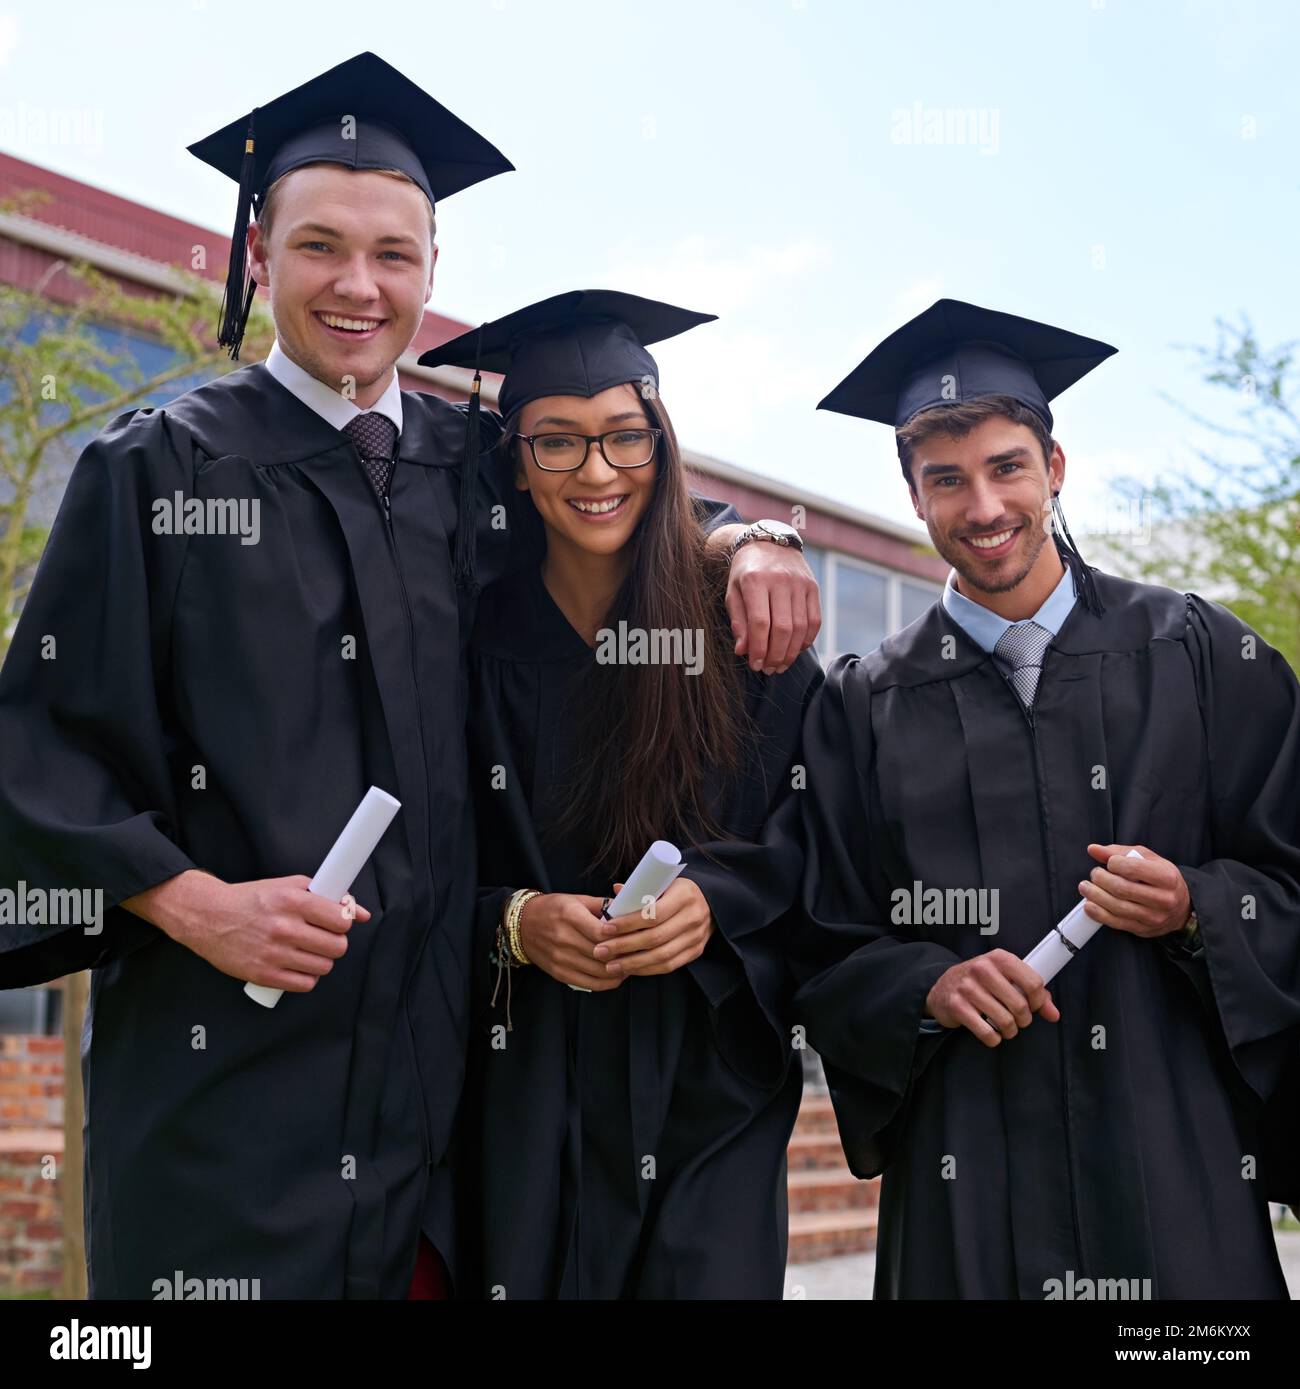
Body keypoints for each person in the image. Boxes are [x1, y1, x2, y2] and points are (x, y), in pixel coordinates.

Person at [0, 57, 817, 1299]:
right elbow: (44, 752)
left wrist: (747, 536)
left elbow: (608, 489)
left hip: (444, 1112)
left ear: (433, 268)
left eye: (395, 253)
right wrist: (188, 903)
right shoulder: (158, 472)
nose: (358, 286)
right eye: (320, 246)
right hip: (232, 1096)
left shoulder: (471, 465)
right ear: (259, 254)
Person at [789, 298, 1300, 1299]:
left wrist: (1196, 907)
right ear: (912, 495)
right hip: (967, 1173)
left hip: (1174, 1165)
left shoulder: (1201, 655)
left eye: (1006, 467)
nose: (982, 507)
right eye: (947, 480)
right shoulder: (859, 705)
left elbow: (1289, 880)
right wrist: (919, 987)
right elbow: (816, 941)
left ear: (1053, 467)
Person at [419, 291, 822, 1298]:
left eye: (624, 439)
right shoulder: (458, 647)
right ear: (513, 459)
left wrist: (714, 906)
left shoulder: (748, 647)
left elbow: (814, 841)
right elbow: (416, 860)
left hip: (705, 1089)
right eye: (556, 443)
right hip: (516, 1083)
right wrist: (510, 923)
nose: (596, 473)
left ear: (662, 445)